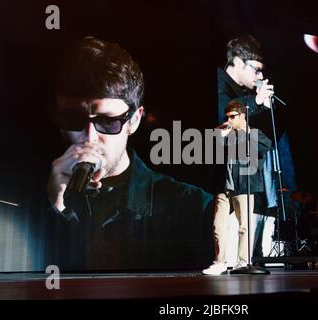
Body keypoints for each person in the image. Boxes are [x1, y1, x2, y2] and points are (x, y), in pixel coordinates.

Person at [45, 36, 213, 271]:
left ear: (134, 120)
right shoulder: (25, 202)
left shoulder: (193, 208)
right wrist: (57, 208)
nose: (90, 137)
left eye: (108, 121)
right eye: (73, 119)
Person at [217, 35, 279, 259]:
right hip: (217, 164)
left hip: (240, 167)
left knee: (241, 219)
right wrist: (256, 103)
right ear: (239, 62)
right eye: (256, 70)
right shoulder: (220, 82)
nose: (260, 76)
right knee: (223, 219)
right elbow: (223, 114)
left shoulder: (242, 92)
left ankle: (240, 261)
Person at [203, 100, 272, 275]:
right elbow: (212, 148)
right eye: (227, 117)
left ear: (242, 116)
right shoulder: (223, 133)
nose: (229, 120)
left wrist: (245, 133)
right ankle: (219, 262)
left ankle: (243, 262)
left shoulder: (253, 134)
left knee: (245, 225)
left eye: (233, 117)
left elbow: (266, 146)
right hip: (224, 186)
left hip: (244, 184)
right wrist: (221, 135)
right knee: (218, 224)